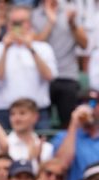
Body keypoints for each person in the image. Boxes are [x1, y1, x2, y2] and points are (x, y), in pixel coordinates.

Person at [0, 5, 57, 129]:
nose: (17, 27)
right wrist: (5, 49)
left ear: (29, 24)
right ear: (8, 24)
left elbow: (49, 76)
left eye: (21, 22)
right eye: (14, 23)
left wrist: (31, 48)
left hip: (37, 111)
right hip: (5, 111)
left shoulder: (43, 48)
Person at [32, 0, 88, 128]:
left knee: (69, 125)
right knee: (41, 126)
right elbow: (34, 44)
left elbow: (84, 44)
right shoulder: (34, 15)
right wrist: (50, 23)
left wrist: (72, 25)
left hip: (67, 76)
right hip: (41, 78)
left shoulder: (71, 11)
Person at [52, 92, 99, 180]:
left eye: (93, 103)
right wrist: (74, 124)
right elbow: (61, 165)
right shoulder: (64, 136)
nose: (88, 108)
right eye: (82, 103)